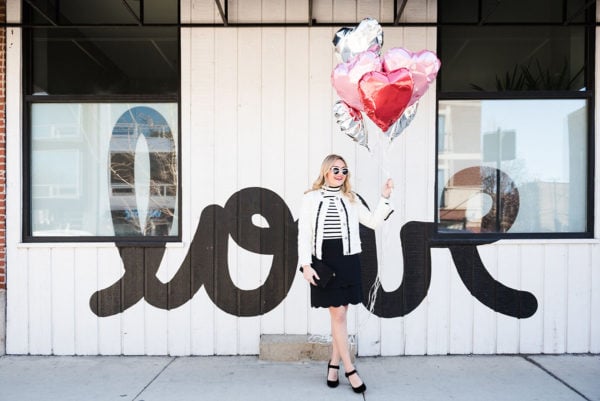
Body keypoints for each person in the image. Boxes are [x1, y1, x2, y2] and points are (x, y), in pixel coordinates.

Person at [298, 154, 393, 393]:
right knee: (338, 316)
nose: (340, 174)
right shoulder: (310, 198)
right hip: (324, 261)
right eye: (335, 170)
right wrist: (305, 265)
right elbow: (304, 234)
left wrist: (384, 197)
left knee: (339, 317)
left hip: (348, 260)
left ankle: (333, 364)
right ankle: (349, 369)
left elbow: (372, 222)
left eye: (344, 170)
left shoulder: (350, 199)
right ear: (325, 172)